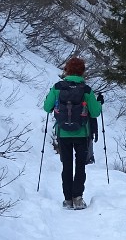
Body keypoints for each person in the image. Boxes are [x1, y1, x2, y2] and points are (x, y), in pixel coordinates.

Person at [43, 56, 102, 209]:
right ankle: (78, 198)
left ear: (66, 70)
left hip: (63, 132)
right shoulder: (87, 90)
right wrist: (99, 102)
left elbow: (47, 107)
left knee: (67, 165)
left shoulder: (57, 87)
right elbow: (95, 113)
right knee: (80, 165)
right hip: (82, 133)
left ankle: (67, 199)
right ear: (82, 72)